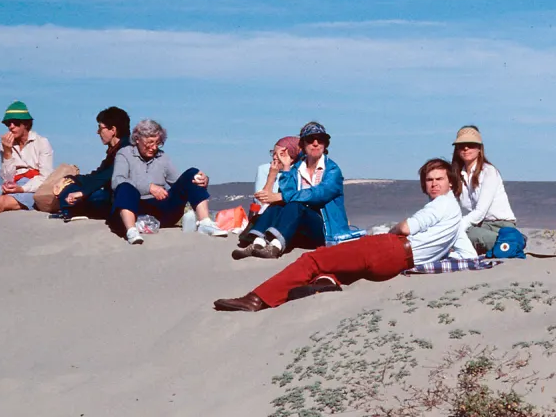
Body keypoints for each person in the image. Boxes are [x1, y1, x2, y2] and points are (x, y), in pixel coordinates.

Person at [214, 158, 473, 312]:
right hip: (396, 263)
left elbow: (407, 228)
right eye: (429, 180)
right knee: (340, 266)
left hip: (391, 248)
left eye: (439, 179)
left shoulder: (440, 204)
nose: (434, 184)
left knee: (314, 259)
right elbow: (467, 252)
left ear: (450, 181)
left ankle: (256, 299)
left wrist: (393, 232)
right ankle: (326, 283)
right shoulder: (455, 213)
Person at [232, 122, 349, 260]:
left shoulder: (332, 170)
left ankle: (275, 247)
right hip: (299, 230)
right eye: (310, 140)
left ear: (326, 144)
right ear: (303, 145)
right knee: (278, 205)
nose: (316, 143)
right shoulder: (297, 169)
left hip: (325, 230)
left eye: (320, 139)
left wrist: (283, 196)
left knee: (295, 205)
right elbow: (285, 193)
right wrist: (286, 167)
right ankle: (257, 243)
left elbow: (318, 194)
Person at [111, 118, 227, 244]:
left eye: (158, 143)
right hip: (135, 207)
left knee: (192, 174)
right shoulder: (124, 154)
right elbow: (117, 181)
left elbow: (179, 182)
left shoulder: (162, 157)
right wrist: (148, 187)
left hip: (162, 210)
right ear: (137, 139)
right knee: (124, 187)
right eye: (150, 143)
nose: (154, 147)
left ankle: (205, 223)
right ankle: (132, 231)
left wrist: (202, 180)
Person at [450, 125, 517, 254]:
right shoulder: (458, 175)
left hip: (500, 226)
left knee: (462, 235)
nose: (466, 148)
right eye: (461, 145)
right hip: (480, 226)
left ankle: (511, 243)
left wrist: (457, 227)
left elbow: (480, 211)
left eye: (471, 144)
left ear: (480, 148)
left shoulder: (489, 172)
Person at [57, 106, 131, 221]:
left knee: (83, 197)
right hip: (108, 192)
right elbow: (98, 174)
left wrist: (82, 192)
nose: (98, 132)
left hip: (117, 196)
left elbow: (107, 176)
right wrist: (73, 179)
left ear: (113, 130)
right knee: (68, 190)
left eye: (100, 128)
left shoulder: (126, 149)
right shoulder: (114, 150)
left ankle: (73, 211)